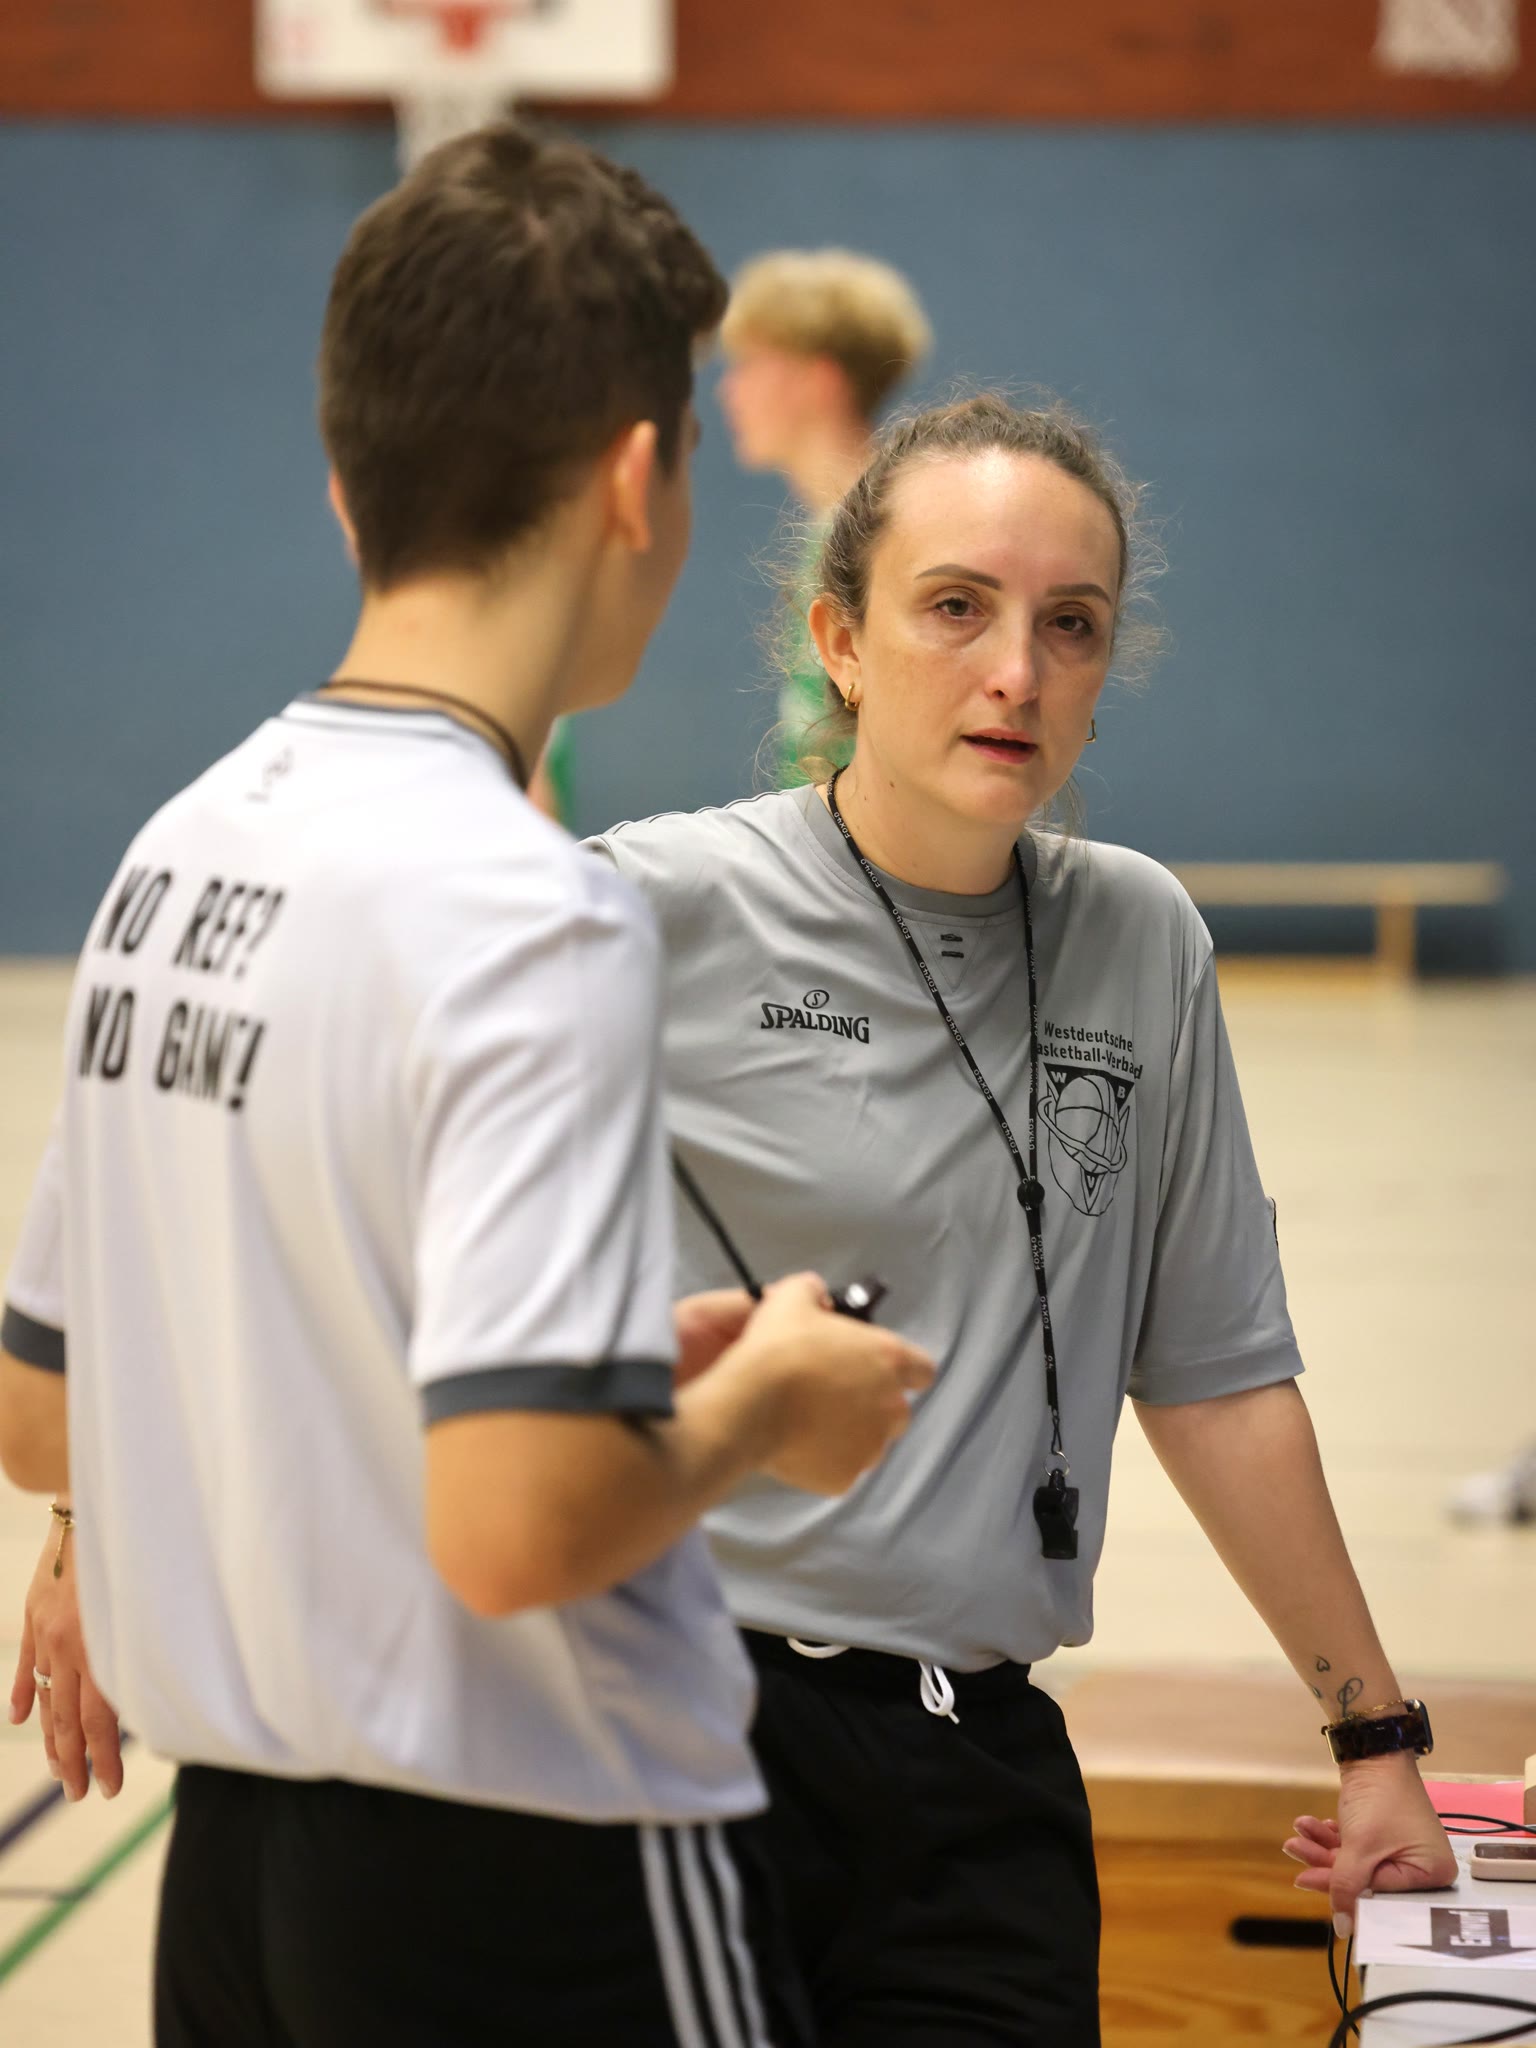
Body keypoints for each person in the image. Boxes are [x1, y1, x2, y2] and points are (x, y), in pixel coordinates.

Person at [0, 122, 933, 2048]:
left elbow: (42, 1405)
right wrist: (766, 1397)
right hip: (541, 1870)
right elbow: (519, 1526)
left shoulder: (178, 850)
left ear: (349, 485)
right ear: (636, 480)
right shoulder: (530, 908)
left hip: (238, 1872)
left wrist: (581, 1371)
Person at [578, 395, 1456, 2043]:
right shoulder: (653, 903)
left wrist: (1373, 1737)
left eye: (1072, 625)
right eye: (956, 607)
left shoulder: (1140, 937)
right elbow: (318, 1180)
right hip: (675, 1732)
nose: (1017, 672)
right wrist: (91, 1517)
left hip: (978, 1770)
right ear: (841, 643)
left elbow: (1215, 1374)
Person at [717, 248, 931, 785]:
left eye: (750, 364)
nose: (728, 389)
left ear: (819, 380)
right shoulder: (833, 528)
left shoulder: (876, 535)